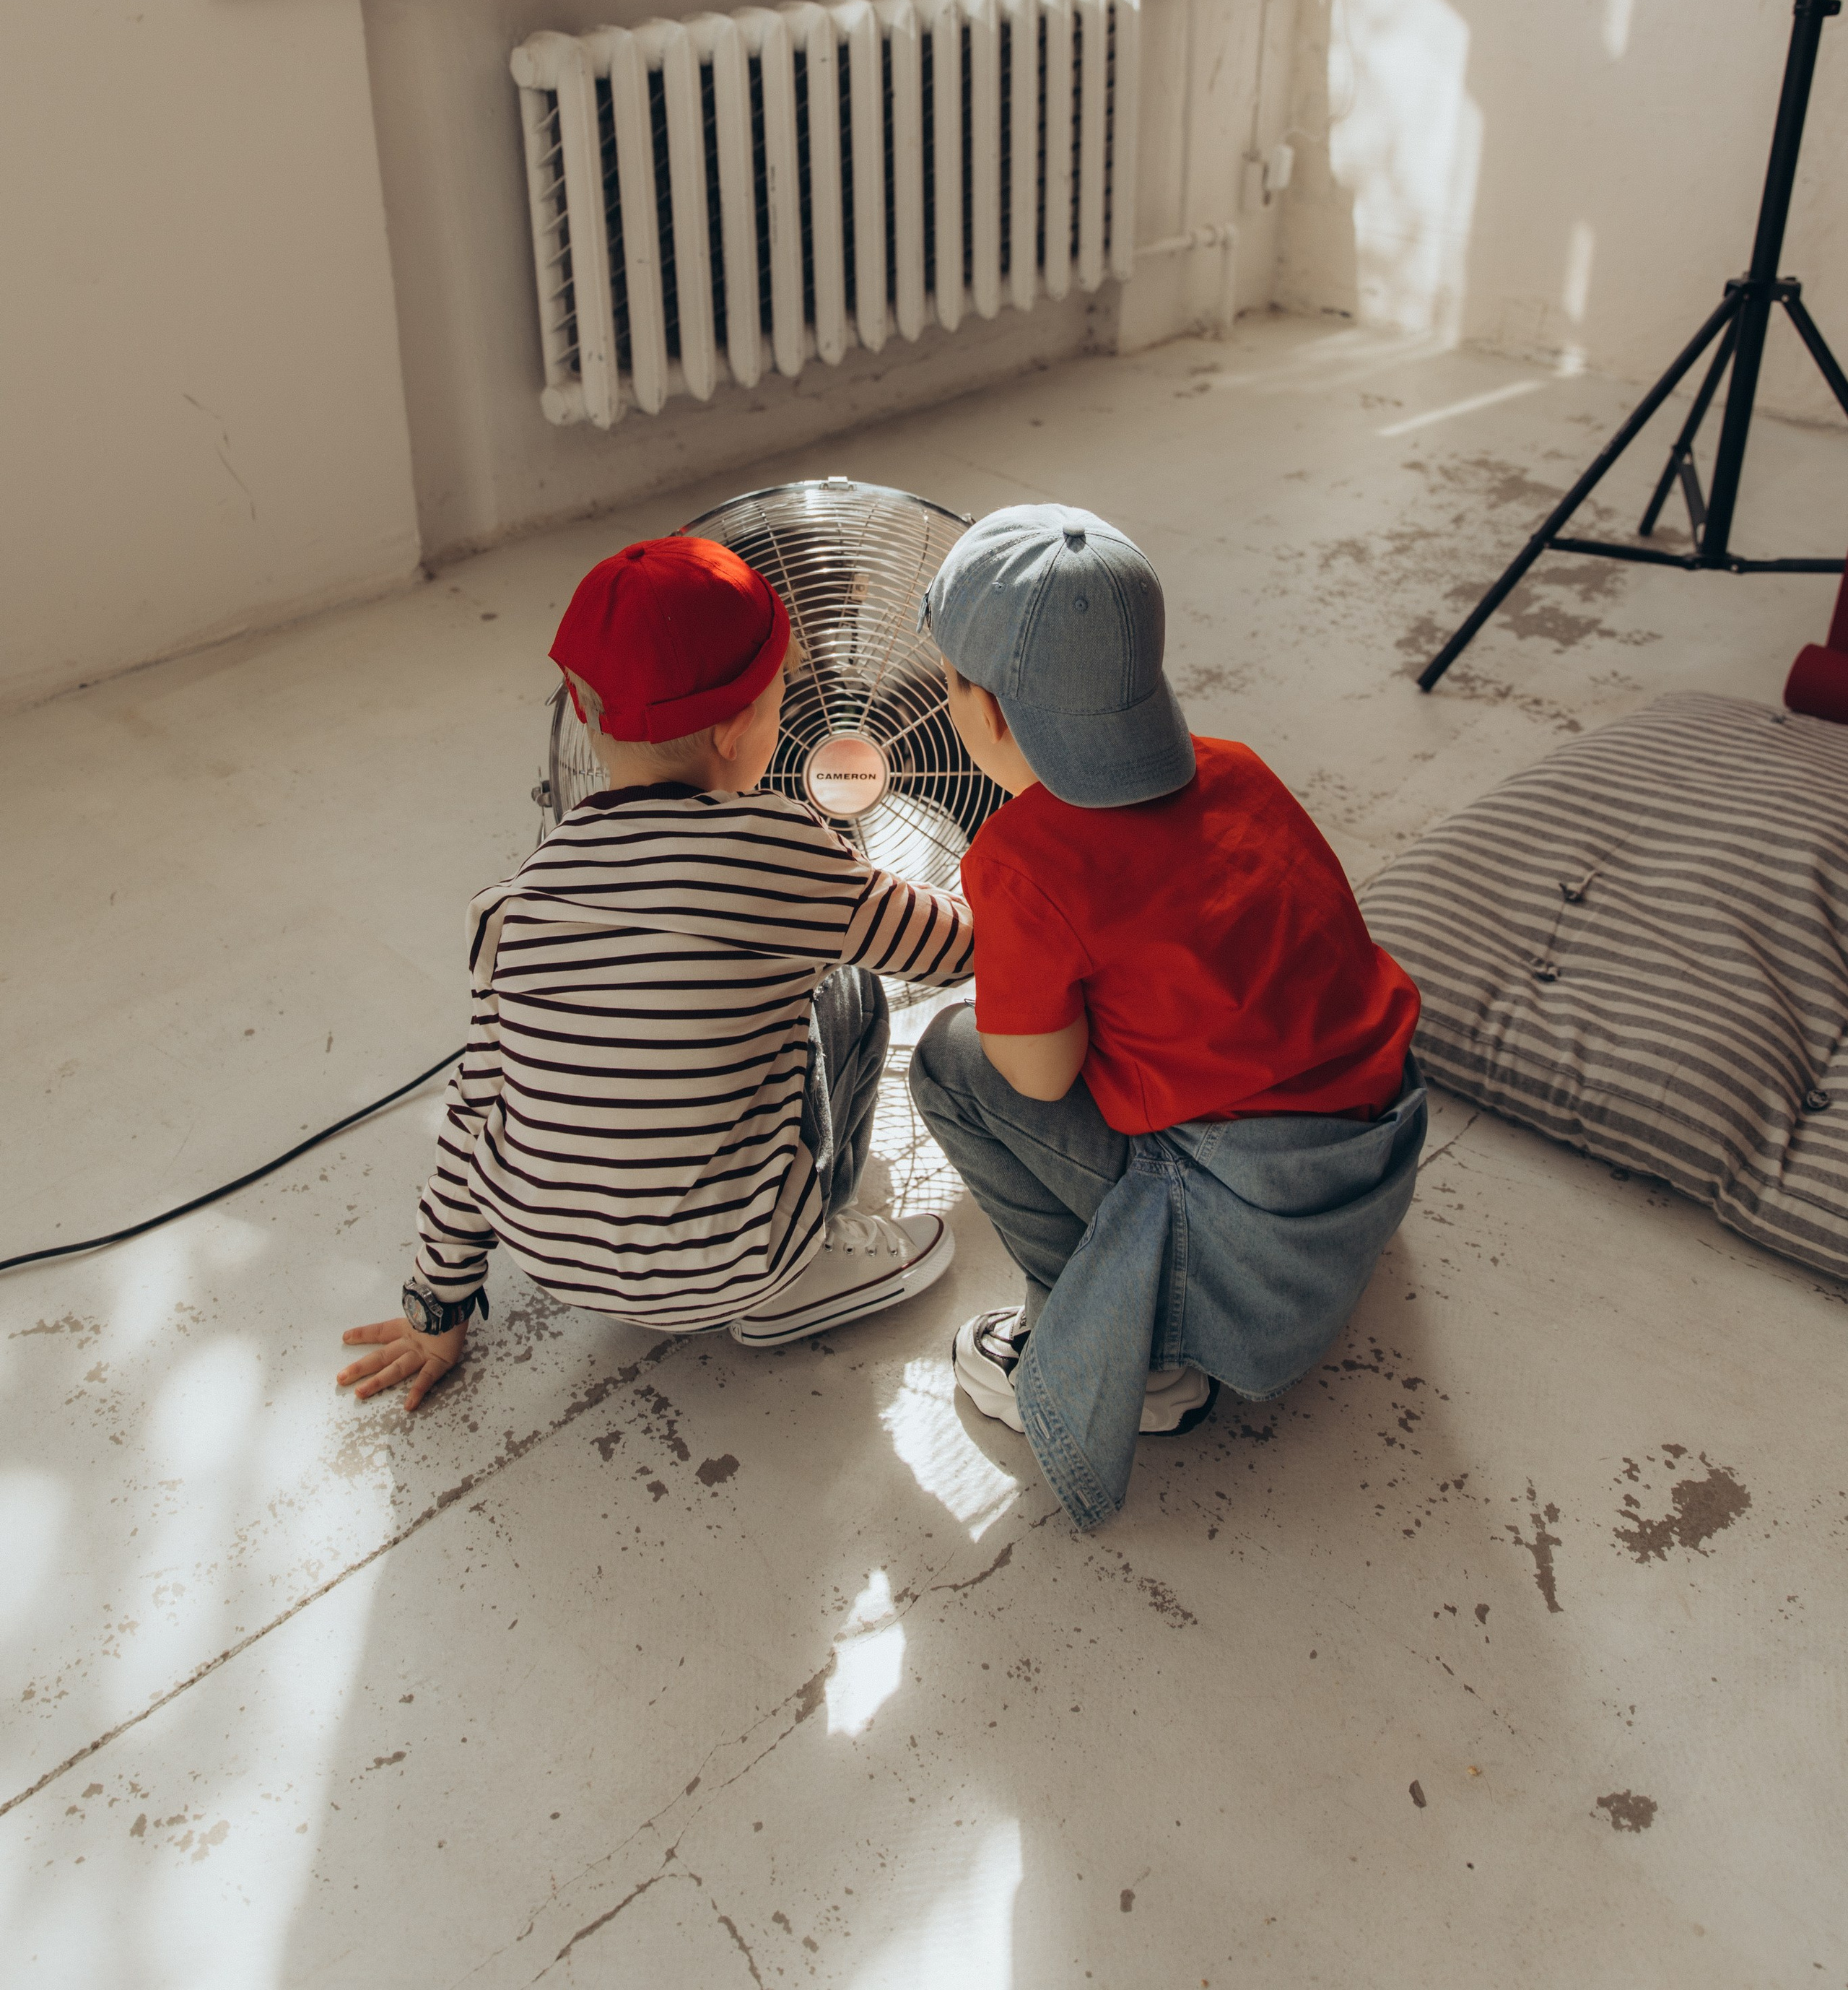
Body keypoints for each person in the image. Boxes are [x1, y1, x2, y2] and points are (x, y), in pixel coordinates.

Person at [338, 536, 971, 1409]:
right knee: (852, 989)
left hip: (559, 1269)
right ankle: (797, 1271)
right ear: (739, 727)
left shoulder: (515, 900)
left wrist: (433, 1306)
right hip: (743, 1260)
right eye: (787, 693)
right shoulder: (780, 848)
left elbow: (474, 1106)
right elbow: (955, 949)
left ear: (581, 708)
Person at [909, 503, 1427, 1532]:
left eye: (949, 685)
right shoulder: (1240, 767)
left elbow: (1039, 1079)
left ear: (990, 714)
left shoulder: (1022, 862)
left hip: (1240, 1246)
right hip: (1364, 1176)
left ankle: (1125, 1352)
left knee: (948, 1059)